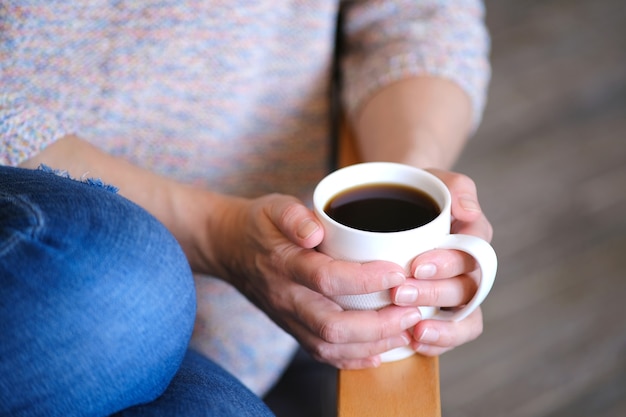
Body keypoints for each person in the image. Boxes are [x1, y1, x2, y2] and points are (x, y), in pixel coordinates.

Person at [0, 1, 492, 416]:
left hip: (239, 326)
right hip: (51, 256)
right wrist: (215, 233)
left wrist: (414, 175)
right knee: (120, 298)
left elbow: (419, 18)